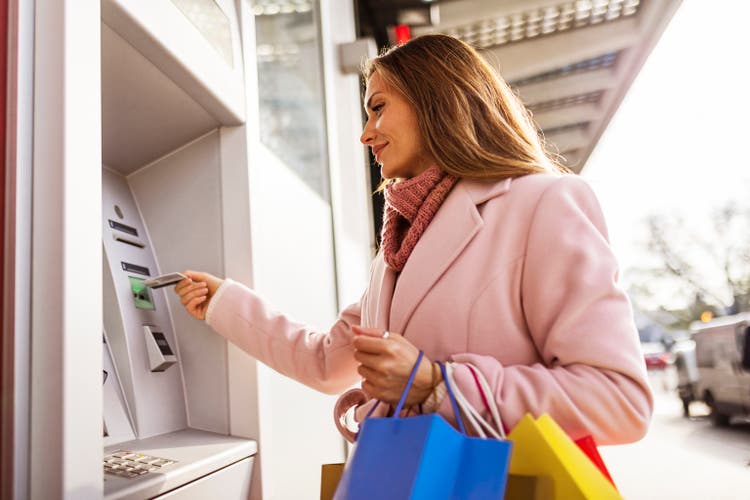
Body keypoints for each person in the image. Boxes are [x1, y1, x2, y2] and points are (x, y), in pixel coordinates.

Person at [175, 34, 652, 445]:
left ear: (437, 100)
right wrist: (223, 302)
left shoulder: (544, 203)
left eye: (378, 108)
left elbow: (618, 399)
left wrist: (439, 385)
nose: (366, 134)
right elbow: (325, 361)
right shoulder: (398, 247)